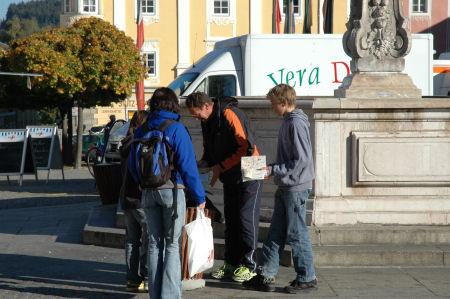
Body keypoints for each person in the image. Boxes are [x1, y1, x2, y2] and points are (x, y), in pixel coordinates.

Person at [243, 84, 317, 293]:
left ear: (283, 103)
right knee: (276, 232)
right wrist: (273, 170)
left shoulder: (295, 124)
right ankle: (266, 274)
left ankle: (307, 277)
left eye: (273, 103)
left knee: (296, 232)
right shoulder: (290, 122)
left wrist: (273, 170)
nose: (271, 107)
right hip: (289, 185)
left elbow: (302, 160)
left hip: (295, 187)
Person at [135, 87, 206, 298]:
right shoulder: (176, 128)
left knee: (154, 243)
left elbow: (132, 162)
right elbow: (188, 166)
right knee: (172, 245)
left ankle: (155, 294)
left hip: (148, 191)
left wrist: (143, 183)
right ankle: (170, 296)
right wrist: (199, 196)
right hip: (172, 191)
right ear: (173, 104)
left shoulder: (143, 128)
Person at [186, 92, 263, 282]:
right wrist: (203, 163)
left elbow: (246, 147)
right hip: (231, 172)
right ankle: (231, 263)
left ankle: (250, 265)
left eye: (195, 112)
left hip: (251, 168)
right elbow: (209, 149)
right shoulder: (206, 121)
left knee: (246, 218)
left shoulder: (230, 113)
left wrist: (220, 166)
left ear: (206, 106)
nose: (194, 117)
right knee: (231, 220)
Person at [119, 110, 149, 293]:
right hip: (139, 199)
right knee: (147, 239)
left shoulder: (125, 144)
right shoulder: (139, 145)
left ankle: (131, 278)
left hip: (126, 199)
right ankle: (145, 277)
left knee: (131, 240)